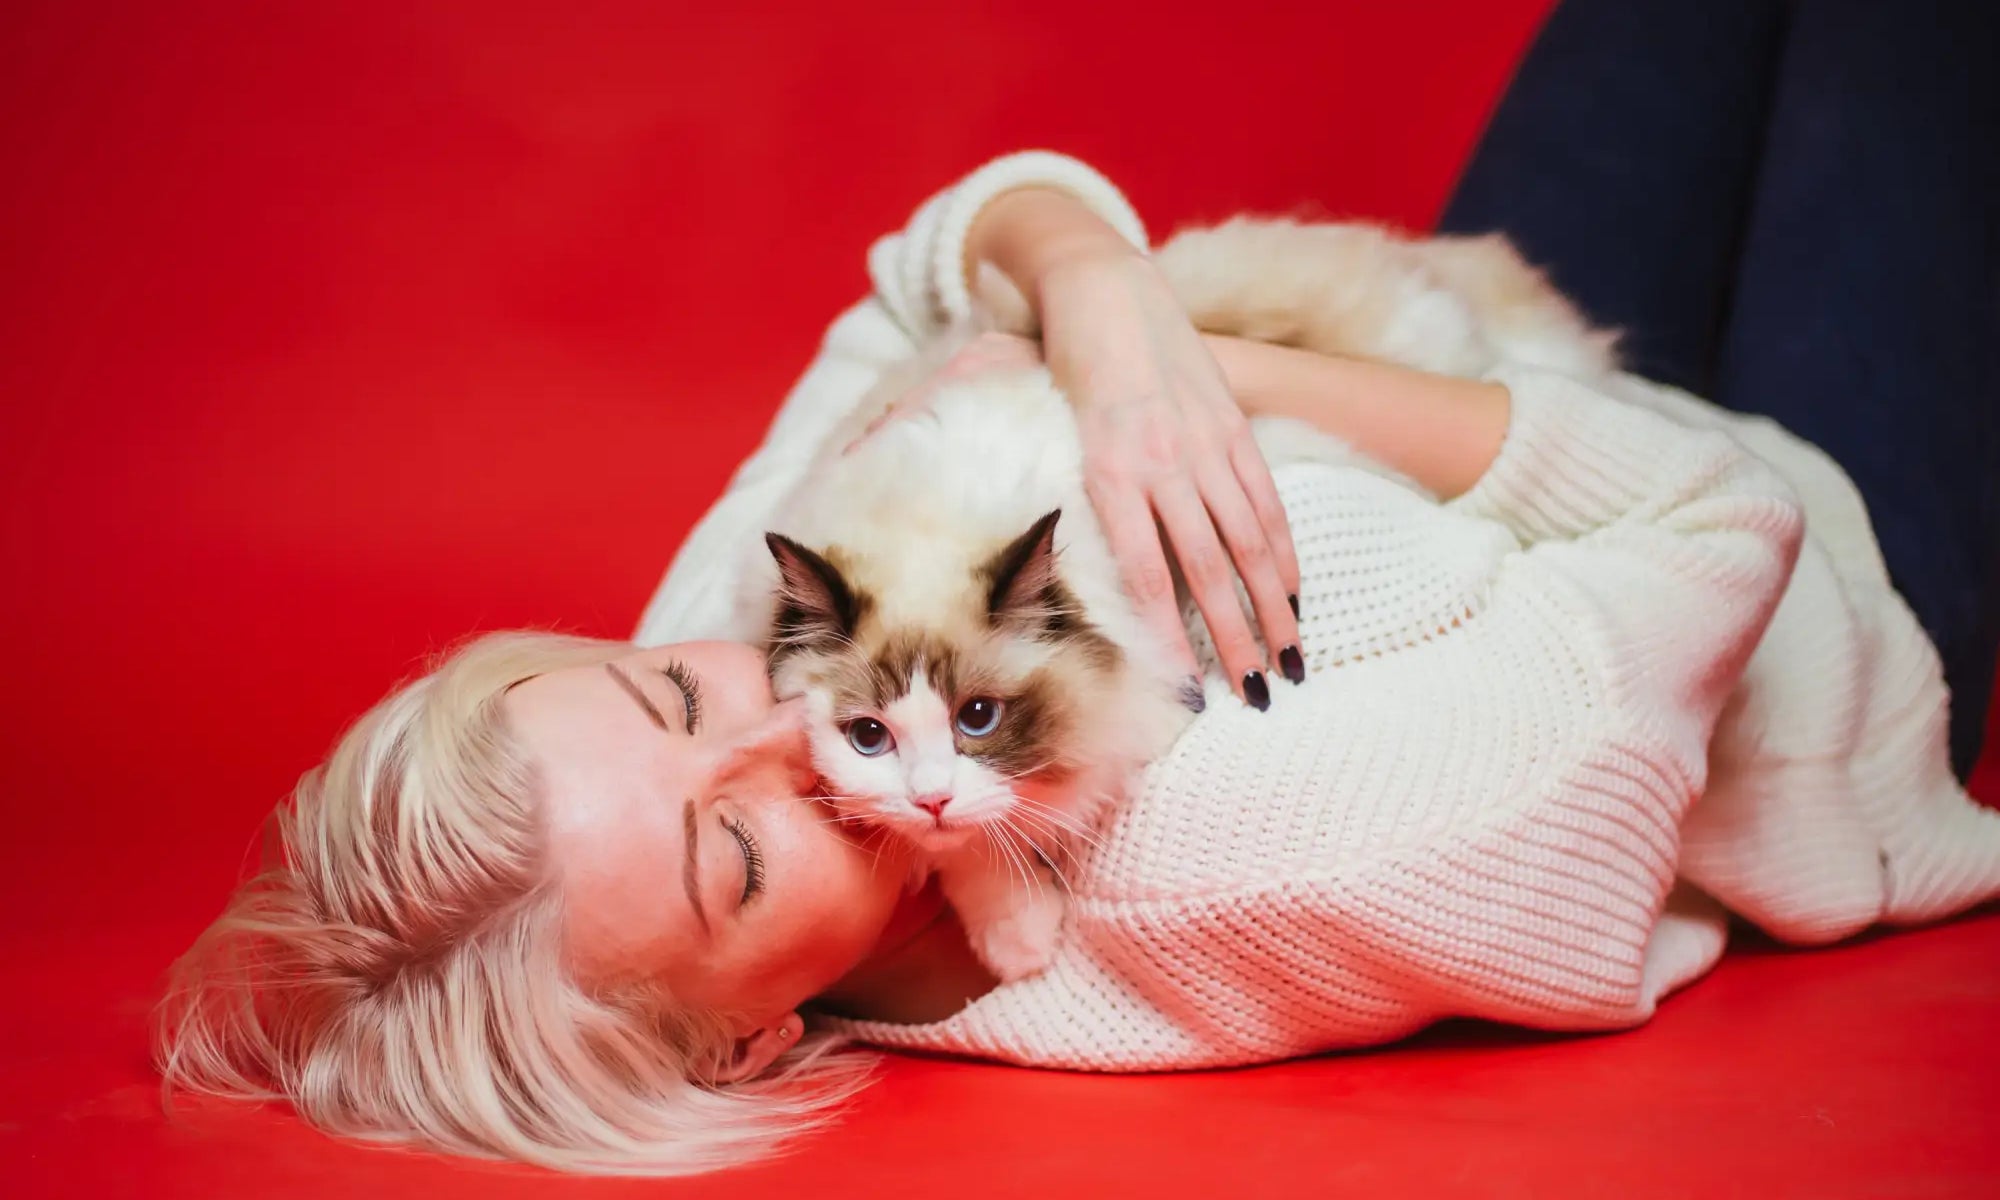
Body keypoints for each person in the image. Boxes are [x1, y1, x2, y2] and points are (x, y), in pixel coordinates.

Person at [156, 0, 2000, 1177]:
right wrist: (1241, 380)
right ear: (743, 1037)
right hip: (1832, 576)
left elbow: (922, 272)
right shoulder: (1263, 858)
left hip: (1479, 317)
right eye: (734, 861)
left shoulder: (759, 623)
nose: (796, 746)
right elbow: (1718, 529)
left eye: (662, 695)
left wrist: (1109, 307)